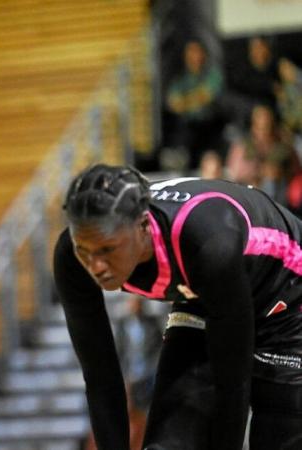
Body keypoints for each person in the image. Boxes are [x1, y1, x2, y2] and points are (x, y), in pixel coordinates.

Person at [53, 164, 302, 450]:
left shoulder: (207, 246)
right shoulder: (71, 259)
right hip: (205, 296)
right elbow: (100, 376)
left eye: (108, 250)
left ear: (144, 227)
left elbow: (232, 383)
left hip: (289, 297)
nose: (95, 265)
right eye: (84, 251)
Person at [165, 40, 226, 170]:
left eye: (197, 52)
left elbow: (206, 96)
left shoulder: (213, 74)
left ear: (204, 54)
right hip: (189, 128)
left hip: (212, 125)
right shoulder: (180, 79)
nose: (195, 56)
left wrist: (185, 101)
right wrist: (195, 98)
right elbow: (174, 104)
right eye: (191, 52)